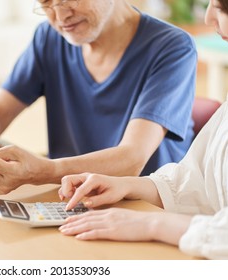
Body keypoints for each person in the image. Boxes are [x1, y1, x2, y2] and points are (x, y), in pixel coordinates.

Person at [0, 0, 197, 194]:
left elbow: (131, 159)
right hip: (72, 199)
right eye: (46, 2)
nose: (60, 17)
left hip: (143, 206)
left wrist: (44, 170)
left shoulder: (172, 47)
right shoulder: (49, 38)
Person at [57, 0, 228, 260]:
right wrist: (128, 186)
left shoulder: (170, 46)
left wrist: (150, 224)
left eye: (221, 7)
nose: (207, 18)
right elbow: (199, 183)